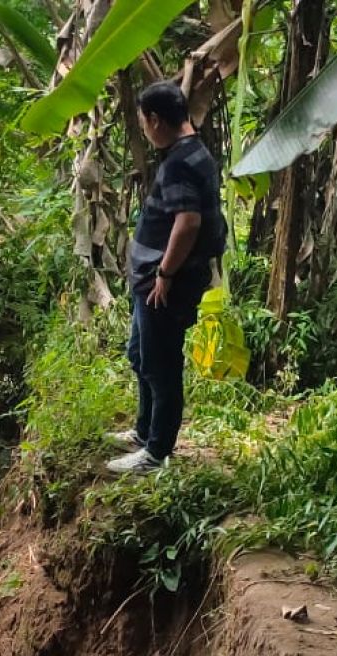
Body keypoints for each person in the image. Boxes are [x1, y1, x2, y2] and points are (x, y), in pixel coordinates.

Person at [106, 81, 226, 475]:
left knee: (161, 365)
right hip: (154, 280)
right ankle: (144, 432)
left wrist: (165, 273)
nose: (143, 129)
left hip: (165, 282)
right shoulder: (192, 152)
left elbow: (188, 221)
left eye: (143, 122)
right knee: (141, 355)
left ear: (155, 120)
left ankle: (156, 452)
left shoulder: (179, 162)